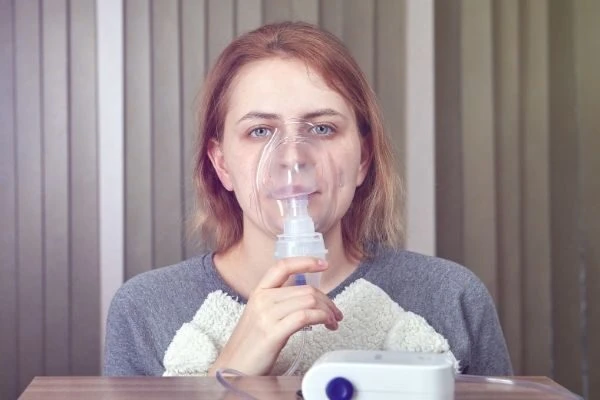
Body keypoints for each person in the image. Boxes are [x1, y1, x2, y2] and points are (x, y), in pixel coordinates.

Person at [103, 21, 512, 377]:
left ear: (363, 158)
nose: (293, 158)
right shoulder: (146, 310)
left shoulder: (448, 299)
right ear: (222, 163)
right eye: (260, 131)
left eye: (321, 129)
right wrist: (229, 373)